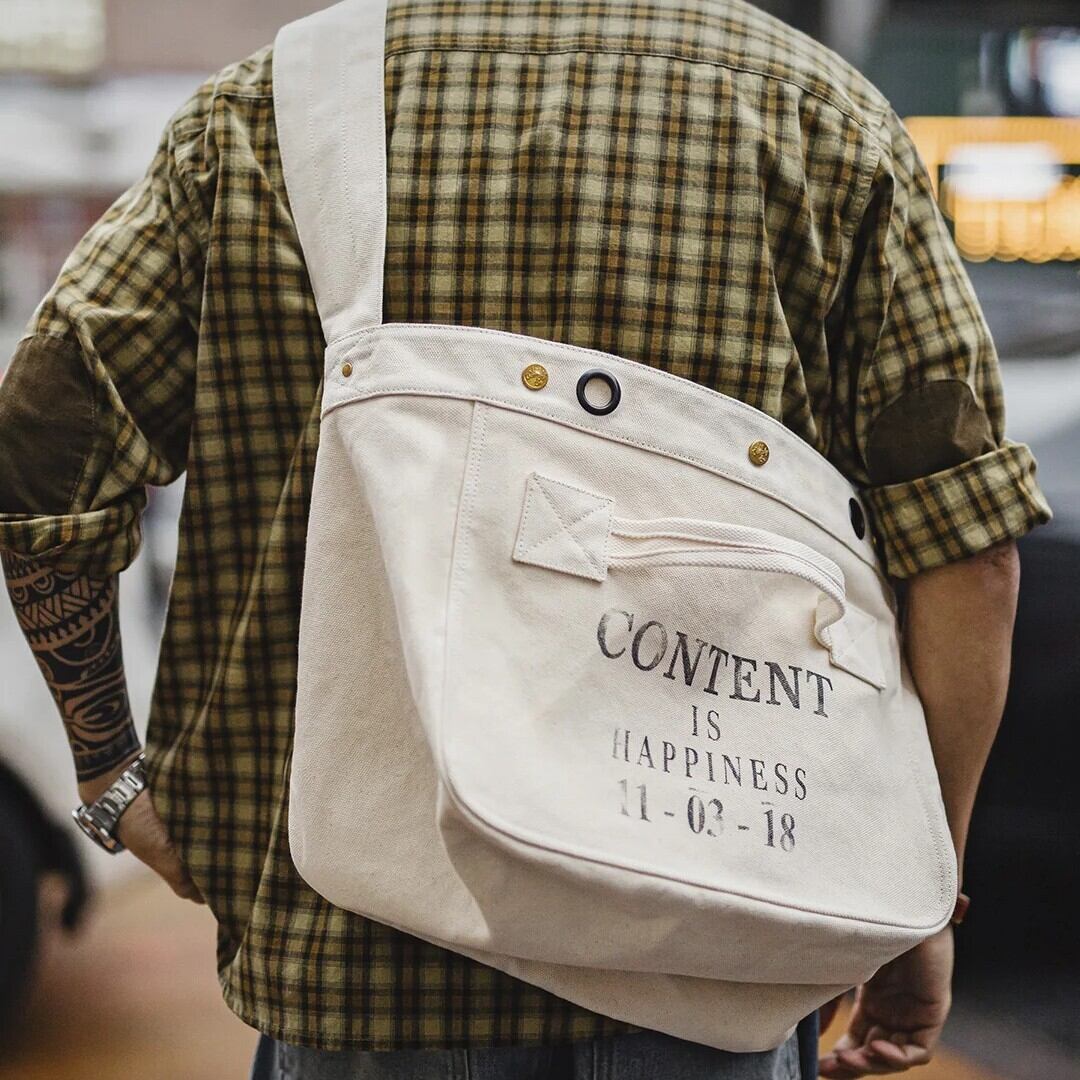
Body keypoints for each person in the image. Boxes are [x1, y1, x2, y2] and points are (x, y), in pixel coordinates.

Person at [0, 1, 1051, 1077]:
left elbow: (40, 449)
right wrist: (922, 906)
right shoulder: (824, 118)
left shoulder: (267, 112)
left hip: (353, 960)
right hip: (715, 956)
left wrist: (110, 772)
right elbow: (969, 554)